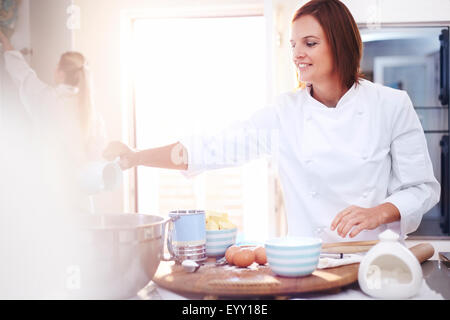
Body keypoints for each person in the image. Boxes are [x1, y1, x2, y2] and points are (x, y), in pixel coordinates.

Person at [103, 0, 440, 242]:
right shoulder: (284, 113)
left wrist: (378, 212)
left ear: (340, 44)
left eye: (309, 43)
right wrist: (135, 157)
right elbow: (210, 147)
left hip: (375, 260)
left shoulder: (391, 104)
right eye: (294, 45)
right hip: (311, 262)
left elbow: (422, 187)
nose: (297, 54)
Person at [0, 29, 107, 211]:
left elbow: (23, 75)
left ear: (61, 74)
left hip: (51, 198)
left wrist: (5, 42)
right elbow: (98, 157)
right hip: (82, 201)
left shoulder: (48, 100)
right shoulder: (92, 113)